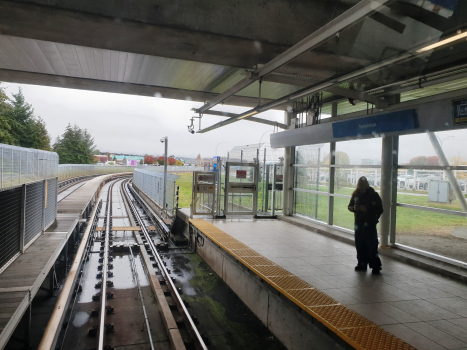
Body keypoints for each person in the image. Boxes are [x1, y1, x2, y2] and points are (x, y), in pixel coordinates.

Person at [348, 176, 383, 274]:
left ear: (367, 188)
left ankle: (375, 266)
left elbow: (380, 209)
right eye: (360, 189)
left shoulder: (374, 195)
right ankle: (361, 264)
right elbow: (349, 206)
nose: (361, 190)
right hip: (358, 224)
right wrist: (354, 208)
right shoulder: (355, 195)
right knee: (359, 245)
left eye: (363, 189)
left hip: (370, 224)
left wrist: (367, 210)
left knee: (371, 246)